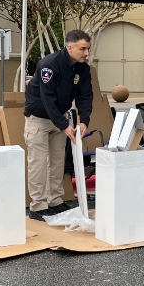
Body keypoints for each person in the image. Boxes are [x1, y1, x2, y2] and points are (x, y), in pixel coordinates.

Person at [23, 29, 94, 220]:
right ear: (70, 47)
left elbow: (85, 95)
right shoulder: (49, 65)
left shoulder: (82, 68)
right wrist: (64, 125)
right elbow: (48, 99)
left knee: (57, 162)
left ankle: (54, 201)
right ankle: (38, 206)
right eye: (82, 49)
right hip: (39, 118)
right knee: (38, 163)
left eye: (88, 48)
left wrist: (84, 120)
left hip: (60, 119)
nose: (86, 53)